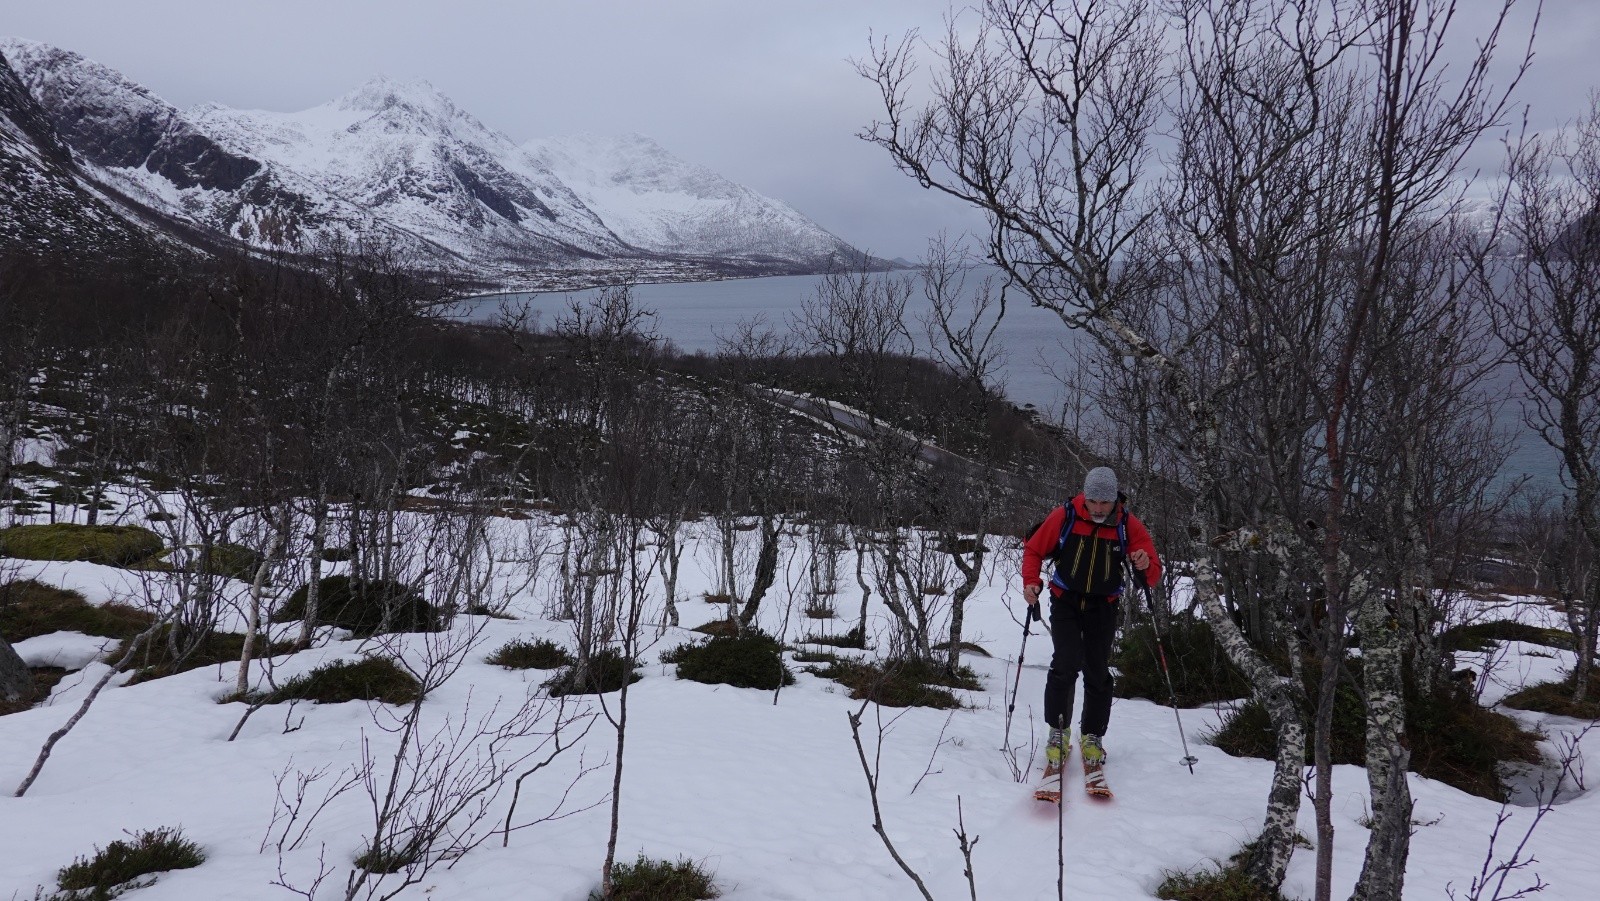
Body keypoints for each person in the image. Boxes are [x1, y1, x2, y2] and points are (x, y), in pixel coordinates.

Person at [1022, 466, 1161, 783]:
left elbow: (1152, 575)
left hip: (1103, 605)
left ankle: (1092, 736)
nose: (1098, 508)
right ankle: (1058, 732)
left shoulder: (1128, 525)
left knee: (1098, 670)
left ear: (1115, 500)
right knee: (1066, 663)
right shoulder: (1066, 516)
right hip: (1065, 600)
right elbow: (1034, 549)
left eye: (1105, 503)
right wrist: (1031, 582)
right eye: (1094, 501)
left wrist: (1144, 562)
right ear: (1086, 496)